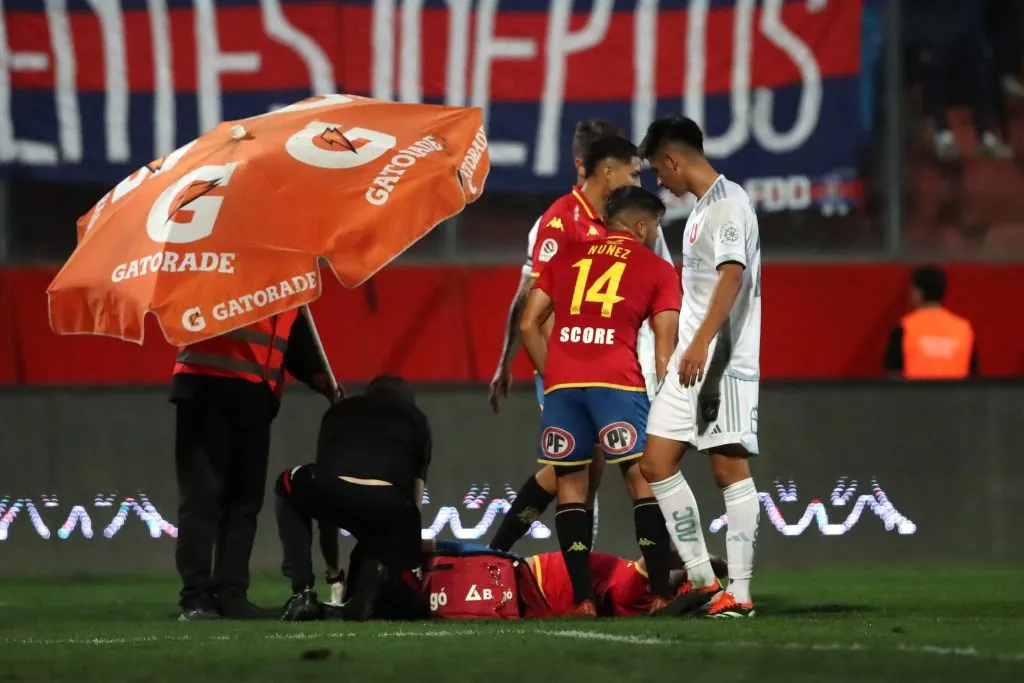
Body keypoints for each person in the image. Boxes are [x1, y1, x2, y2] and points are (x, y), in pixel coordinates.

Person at [519, 184, 681, 616]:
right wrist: (667, 398)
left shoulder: (564, 256)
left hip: (564, 384)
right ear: (642, 226)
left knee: (572, 489)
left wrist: (552, 373)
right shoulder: (658, 269)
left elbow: (528, 324)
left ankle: (583, 599)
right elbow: (665, 346)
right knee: (641, 481)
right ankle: (661, 593)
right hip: (618, 383)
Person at [638, 116, 762, 619]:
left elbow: (732, 277)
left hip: (721, 363)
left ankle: (742, 594)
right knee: (655, 464)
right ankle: (704, 580)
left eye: (656, 171)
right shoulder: (699, 212)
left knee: (728, 469)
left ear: (672, 159)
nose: (658, 182)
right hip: (689, 361)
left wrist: (700, 345)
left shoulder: (729, 205)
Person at [487, 119, 621, 552]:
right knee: (575, 466)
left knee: (591, 470)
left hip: (614, 361)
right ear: (589, 166)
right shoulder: (558, 221)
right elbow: (527, 298)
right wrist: (507, 359)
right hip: (564, 361)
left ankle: (573, 566)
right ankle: (508, 550)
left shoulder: (632, 220)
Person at [172, 310, 339, 621]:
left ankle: (231, 596)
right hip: (205, 389)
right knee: (203, 498)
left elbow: (287, 341)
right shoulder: (216, 266)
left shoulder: (289, 285)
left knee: (243, 504)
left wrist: (316, 375)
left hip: (254, 397)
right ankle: (196, 599)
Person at [275, 375, 432, 623]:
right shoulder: (416, 417)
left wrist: (334, 572)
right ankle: (381, 575)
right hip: (391, 507)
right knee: (406, 599)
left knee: (286, 483)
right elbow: (416, 495)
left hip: (335, 492)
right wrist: (403, 552)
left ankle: (303, 592)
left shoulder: (338, 412)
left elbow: (324, 502)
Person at [525, 550, 728, 617]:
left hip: (540, 582)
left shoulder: (635, 596)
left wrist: (700, 560)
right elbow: (662, 553)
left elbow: (660, 554)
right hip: (539, 578)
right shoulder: (634, 593)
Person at [884, 265, 977, 379]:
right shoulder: (963, 329)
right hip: (956, 396)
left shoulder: (904, 327)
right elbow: (973, 377)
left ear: (918, 292)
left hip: (913, 396)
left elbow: (893, 376)